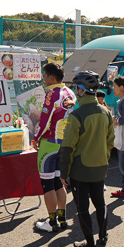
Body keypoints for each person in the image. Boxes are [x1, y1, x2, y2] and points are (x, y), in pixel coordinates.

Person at [60, 70, 115, 247]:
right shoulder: (106, 112)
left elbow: (68, 147)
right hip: (100, 167)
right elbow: (110, 141)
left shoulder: (76, 115)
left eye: (76, 88)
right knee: (100, 203)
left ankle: (90, 245)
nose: (75, 91)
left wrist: (63, 173)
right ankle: (103, 236)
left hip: (80, 171)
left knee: (82, 208)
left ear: (82, 90)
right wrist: (103, 158)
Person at [32, 63, 76, 233]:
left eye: (44, 76)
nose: (43, 79)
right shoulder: (70, 92)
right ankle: (62, 219)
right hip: (64, 143)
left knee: (47, 185)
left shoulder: (52, 93)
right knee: (59, 182)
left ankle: (51, 222)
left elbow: (45, 120)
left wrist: (36, 138)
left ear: (51, 77)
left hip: (49, 143)